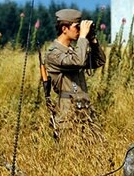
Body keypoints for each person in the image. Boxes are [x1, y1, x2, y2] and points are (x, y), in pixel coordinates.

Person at [44, 8, 106, 137]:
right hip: (68, 114)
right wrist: (83, 37)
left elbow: (99, 61)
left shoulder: (75, 51)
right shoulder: (53, 53)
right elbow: (77, 62)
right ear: (64, 29)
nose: (79, 30)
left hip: (85, 112)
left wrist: (92, 40)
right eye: (77, 27)